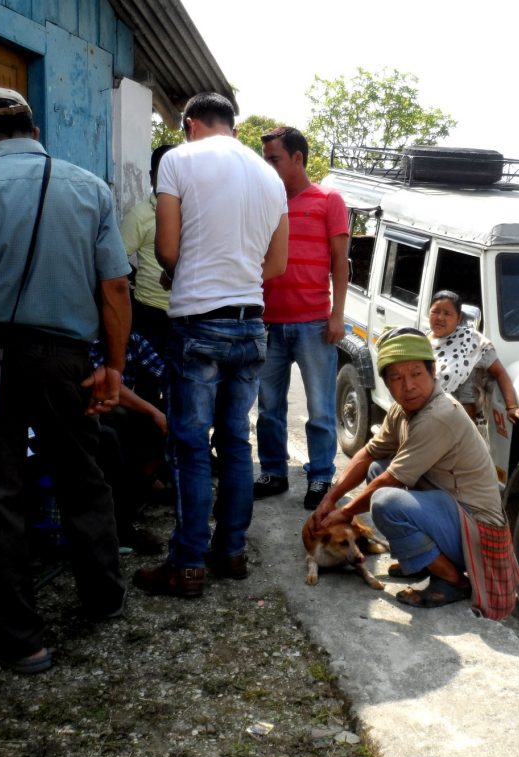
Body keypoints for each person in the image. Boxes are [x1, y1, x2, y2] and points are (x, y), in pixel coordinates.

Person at [0, 87, 131, 675]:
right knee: (82, 476)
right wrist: (112, 368)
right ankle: (103, 596)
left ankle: (22, 640)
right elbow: (114, 288)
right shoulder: (91, 188)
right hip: (67, 359)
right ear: (34, 134)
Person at [133, 92, 288, 599]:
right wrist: (237, 279)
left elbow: (167, 249)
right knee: (237, 443)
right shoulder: (270, 176)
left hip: (199, 322)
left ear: (190, 124)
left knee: (192, 446)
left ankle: (188, 564)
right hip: (251, 323)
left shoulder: (178, 160)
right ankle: (232, 552)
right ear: (233, 126)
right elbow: (277, 265)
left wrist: (186, 276)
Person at [308, 327, 519, 618]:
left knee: (386, 500)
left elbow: (394, 481)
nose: (408, 385)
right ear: (386, 384)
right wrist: (330, 498)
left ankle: (452, 579)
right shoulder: (402, 411)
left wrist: (345, 511)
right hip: (449, 509)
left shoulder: (439, 413)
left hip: (475, 529)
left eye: (416, 374)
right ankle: (425, 560)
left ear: (433, 372)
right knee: (377, 468)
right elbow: (369, 453)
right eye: (396, 378)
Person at [254, 127, 348, 510]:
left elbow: (341, 264)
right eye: (266, 159)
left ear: (298, 158)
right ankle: (274, 472)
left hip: (313, 322)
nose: (268, 166)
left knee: (321, 408)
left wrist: (337, 315)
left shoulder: (329, 200)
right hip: (269, 321)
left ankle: (321, 476)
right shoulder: (266, 201)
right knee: (268, 406)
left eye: (274, 158)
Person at [88, 332, 167, 554]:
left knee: (161, 421)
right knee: (113, 432)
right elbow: (105, 388)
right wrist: (153, 411)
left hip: (118, 411)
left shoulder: (133, 339)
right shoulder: (91, 340)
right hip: (91, 410)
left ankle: (141, 488)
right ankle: (120, 525)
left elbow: (163, 373)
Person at [121, 144, 176, 406]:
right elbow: (117, 259)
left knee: (184, 387)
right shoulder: (140, 215)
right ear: (152, 175)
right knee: (148, 387)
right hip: (150, 315)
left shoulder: (194, 212)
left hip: (188, 314)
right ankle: (148, 445)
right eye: (163, 172)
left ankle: (177, 444)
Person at [427, 290, 519, 425]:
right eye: (435, 312)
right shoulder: (420, 340)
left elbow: (500, 373)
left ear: (458, 318)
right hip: (427, 418)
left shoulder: (472, 341)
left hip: (460, 423)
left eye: (447, 313)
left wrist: (512, 407)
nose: (440, 318)